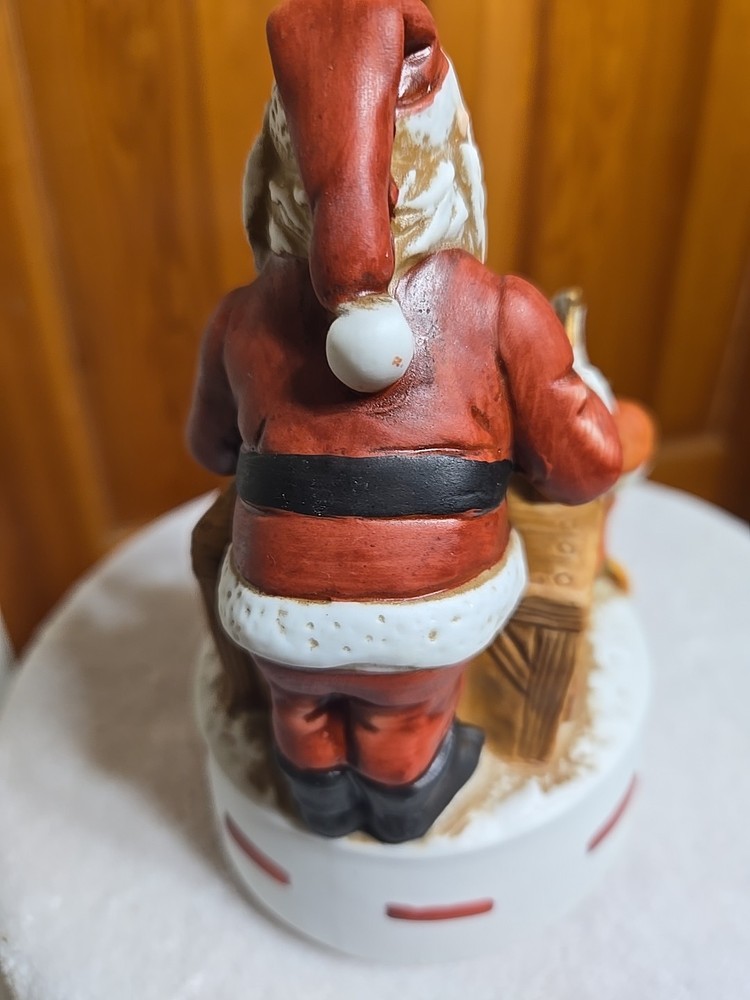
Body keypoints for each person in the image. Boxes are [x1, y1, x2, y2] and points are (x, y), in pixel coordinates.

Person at [188, 0, 622, 843]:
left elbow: (210, 448)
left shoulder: (239, 319)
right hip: (427, 603)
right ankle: (401, 801)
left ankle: (315, 791)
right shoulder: (502, 310)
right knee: (402, 711)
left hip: (275, 592)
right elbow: (586, 467)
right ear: (449, 159)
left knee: (300, 702)